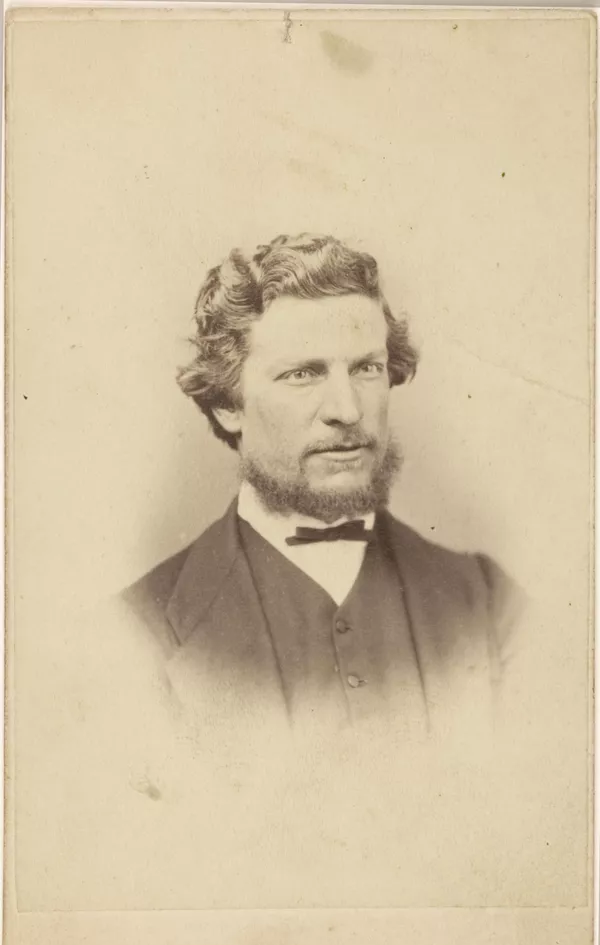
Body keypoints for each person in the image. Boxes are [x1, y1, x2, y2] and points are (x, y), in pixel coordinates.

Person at [122, 233, 523, 734]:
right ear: (227, 404)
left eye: (367, 368)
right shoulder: (138, 635)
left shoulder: (489, 604)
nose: (347, 410)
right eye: (302, 374)